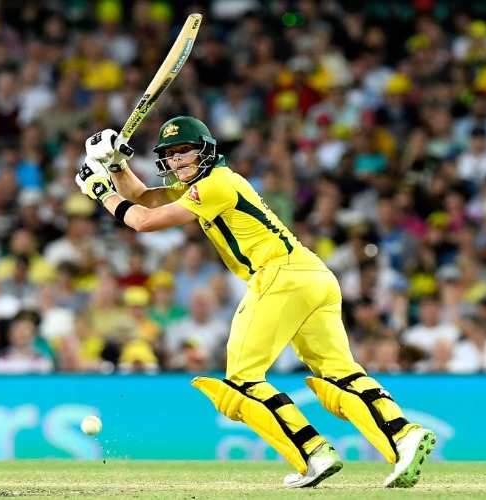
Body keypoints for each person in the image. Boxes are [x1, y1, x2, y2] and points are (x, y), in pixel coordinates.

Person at [75, 116, 435, 488]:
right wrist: (116, 164)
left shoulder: (215, 184)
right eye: (171, 155)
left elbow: (144, 221)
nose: (178, 160)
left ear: (206, 151)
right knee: (340, 373)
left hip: (279, 276)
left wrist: (102, 193)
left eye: (185, 151)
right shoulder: (208, 183)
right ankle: (403, 435)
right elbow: (142, 196)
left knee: (243, 382)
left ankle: (312, 452)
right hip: (313, 276)